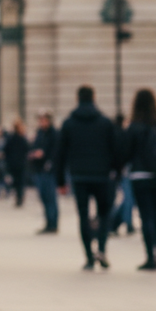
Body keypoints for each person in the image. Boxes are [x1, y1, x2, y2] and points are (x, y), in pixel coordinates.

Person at [54, 86, 119, 270]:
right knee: (104, 214)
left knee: (83, 216)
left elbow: (60, 154)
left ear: (78, 98)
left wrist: (60, 181)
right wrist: (116, 172)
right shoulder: (105, 122)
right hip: (102, 176)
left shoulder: (68, 123)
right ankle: (102, 249)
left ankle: (89, 256)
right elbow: (115, 150)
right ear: (94, 98)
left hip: (79, 176)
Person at [121, 88, 156, 271]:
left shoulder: (134, 126)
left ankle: (150, 257)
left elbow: (126, 152)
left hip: (140, 175)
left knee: (146, 217)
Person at [29, 110, 59, 234]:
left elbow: (56, 151)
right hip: (39, 168)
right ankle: (48, 222)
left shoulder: (54, 134)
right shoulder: (40, 133)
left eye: (43, 120)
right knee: (43, 197)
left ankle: (53, 223)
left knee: (50, 197)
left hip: (49, 169)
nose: (41, 122)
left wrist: (44, 155)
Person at [4, 118, 29, 207]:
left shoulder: (12, 137)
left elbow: (6, 150)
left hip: (15, 163)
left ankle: (19, 198)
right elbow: (27, 149)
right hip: (20, 163)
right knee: (20, 182)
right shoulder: (21, 138)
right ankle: (19, 197)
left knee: (17, 182)